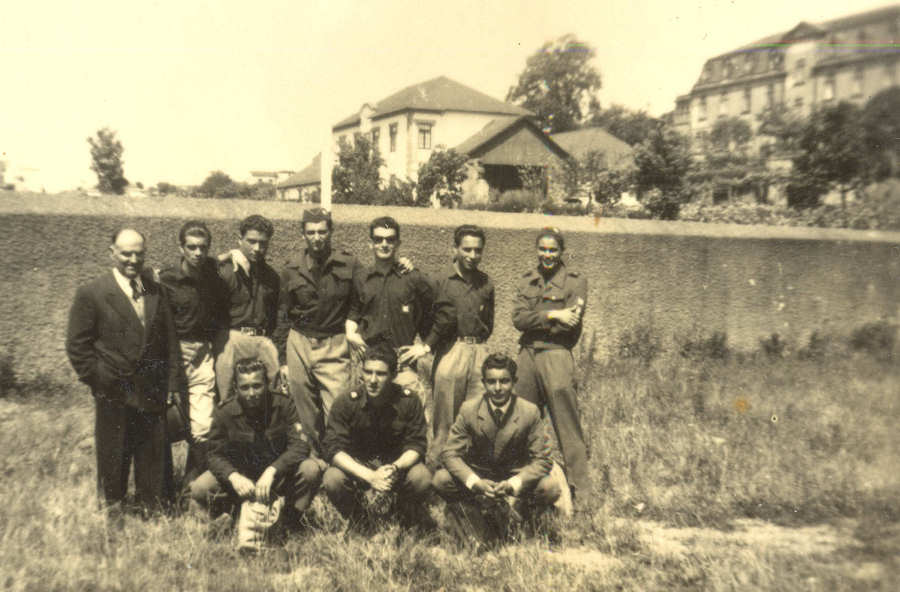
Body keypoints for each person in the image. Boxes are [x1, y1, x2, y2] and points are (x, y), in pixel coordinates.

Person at [66, 228, 183, 513]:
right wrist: (100, 379)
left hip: (152, 388)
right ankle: (113, 510)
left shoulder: (155, 290)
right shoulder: (93, 293)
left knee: (153, 454)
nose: (133, 260)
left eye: (139, 254)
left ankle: (152, 509)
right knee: (114, 452)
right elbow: (77, 346)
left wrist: (171, 384)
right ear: (112, 253)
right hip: (114, 390)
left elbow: (170, 341)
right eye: (126, 254)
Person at [433, 353, 560, 547]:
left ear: (514, 382)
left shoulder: (529, 411)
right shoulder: (469, 409)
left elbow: (542, 459)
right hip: (480, 476)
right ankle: (476, 519)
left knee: (549, 487)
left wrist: (513, 484)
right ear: (483, 383)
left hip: (514, 477)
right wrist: (475, 482)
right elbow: (450, 454)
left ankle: (525, 522)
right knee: (441, 480)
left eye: (504, 381)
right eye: (491, 382)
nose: (498, 388)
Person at [188, 358, 322, 530]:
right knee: (200, 488)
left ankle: (289, 521)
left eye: (257, 386)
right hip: (241, 480)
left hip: (277, 476)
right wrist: (233, 476)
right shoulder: (224, 412)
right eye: (244, 387)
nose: (251, 393)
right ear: (236, 388)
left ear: (267, 384)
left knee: (311, 470)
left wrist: (273, 470)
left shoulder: (283, 405)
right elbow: (214, 455)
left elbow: (300, 446)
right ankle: (231, 515)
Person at [511, 227, 591, 507]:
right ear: (536, 250)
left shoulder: (575, 281)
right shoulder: (527, 279)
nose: (547, 255)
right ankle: (520, 490)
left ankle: (582, 496)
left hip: (557, 353)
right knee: (519, 422)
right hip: (527, 355)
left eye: (553, 250)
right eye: (542, 249)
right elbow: (518, 320)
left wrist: (537, 319)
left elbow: (570, 324)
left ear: (561, 252)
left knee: (567, 425)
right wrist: (554, 314)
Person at [276, 207, 364, 451]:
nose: (317, 237)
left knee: (337, 408)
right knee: (304, 411)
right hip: (299, 342)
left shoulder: (349, 264)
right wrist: (283, 359)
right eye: (311, 232)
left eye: (322, 232)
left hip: (334, 343)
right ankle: (313, 461)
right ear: (303, 234)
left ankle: (339, 459)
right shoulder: (291, 268)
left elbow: (361, 301)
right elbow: (283, 314)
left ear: (331, 232)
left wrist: (351, 326)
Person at [321, 345, 432, 532]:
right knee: (333, 478)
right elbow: (333, 449)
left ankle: (402, 517)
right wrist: (370, 476)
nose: (372, 380)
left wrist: (395, 467)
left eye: (380, 374)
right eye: (368, 372)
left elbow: (417, 445)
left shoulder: (409, 400)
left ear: (393, 375)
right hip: (360, 469)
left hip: (394, 468)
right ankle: (359, 519)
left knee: (421, 477)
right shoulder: (346, 402)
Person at [158, 220, 229, 482]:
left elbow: (218, 261)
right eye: (191, 247)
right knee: (163, 422)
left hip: (201, 354)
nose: (198, 253)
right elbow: (140, 290)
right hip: (171, 353)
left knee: (203, 424)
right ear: (181, 248)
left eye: (203, 247)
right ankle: (162, 488)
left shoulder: (212, 276)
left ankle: (194, 486)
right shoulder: (165, 279)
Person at [346, 216, 434, 418]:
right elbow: (353, 312)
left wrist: (424, 346)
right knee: (365, 421)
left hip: (401, 364)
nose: (384, 244)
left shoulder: (412, 278)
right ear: (370, 243)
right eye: (378, 239)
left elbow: (438, 313)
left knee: (410, 419)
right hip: (370, 363)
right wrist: (350, 333)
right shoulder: (361, 278)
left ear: (398, 243)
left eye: (390, 239)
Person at [427, 224, 494, 468]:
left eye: (478, 250)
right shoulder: (440, 280)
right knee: (446, 419)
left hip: (479, 350)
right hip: (451, 350)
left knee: (479, 416)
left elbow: (488, 322)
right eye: (467, 249)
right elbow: (428, 320)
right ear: (454, 249)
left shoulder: (486, 282)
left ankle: (471, 473)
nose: (472, 255)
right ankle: (436, 470)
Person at [214, 215, 281, 403]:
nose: (257, 248)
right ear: (240, 239)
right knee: (226, 397)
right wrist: (224, 257)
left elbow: (276, 315)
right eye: (251, 241)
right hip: (231, 338)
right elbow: (201, 271)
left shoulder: (271, 276)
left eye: (263, 243)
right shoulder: (226, 271)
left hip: (261, 338)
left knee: (276, 389)